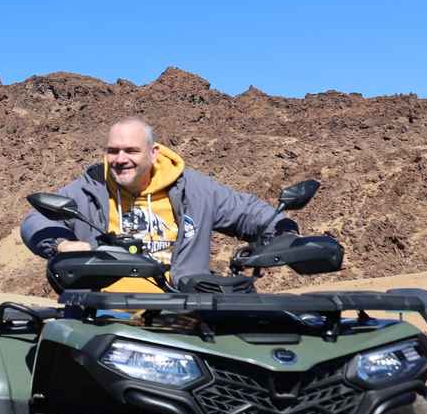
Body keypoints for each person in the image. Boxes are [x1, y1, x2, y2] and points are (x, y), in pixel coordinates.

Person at [20, 116, 297, 291]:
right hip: (103, 310)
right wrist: (63, 245)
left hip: (181, 309)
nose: (120, 158)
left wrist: (284, 232)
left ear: (153, 153)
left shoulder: (193, 188)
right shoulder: (91, 186)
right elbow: (37, 219)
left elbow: (248, 212)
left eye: (131, 150)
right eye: (112, 151)